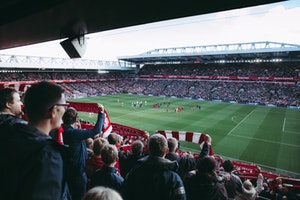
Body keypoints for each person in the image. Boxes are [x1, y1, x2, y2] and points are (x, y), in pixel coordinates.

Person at [0, 81, 70, 199]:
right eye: (64, 106)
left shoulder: (8, 134)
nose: (65, 110)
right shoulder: (47, 154)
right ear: (53, 111)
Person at [122, 134, 186, 200]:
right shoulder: (174, 178)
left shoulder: (134, 171)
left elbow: (124, 192)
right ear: (167, 151)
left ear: (148, 150)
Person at [62, 105, 105, 200]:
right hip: (77, 174)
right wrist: (101, 113)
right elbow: (96, 130)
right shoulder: (75, 133)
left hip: (66, 171)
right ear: (75, 119)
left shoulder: (60, 130)